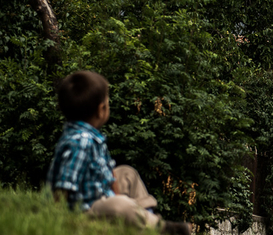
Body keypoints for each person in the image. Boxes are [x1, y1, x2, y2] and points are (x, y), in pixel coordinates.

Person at [46, 70, 191, 235]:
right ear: (101, 110)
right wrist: (58, 221)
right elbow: (63, 186)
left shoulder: (92, 136)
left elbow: (110, 173)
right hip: (85, 210)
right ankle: (160, 228)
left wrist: (117, 194)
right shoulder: (80, 142)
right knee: (120, 206)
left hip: (101, 196)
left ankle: (147, 219)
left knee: (128, 174)